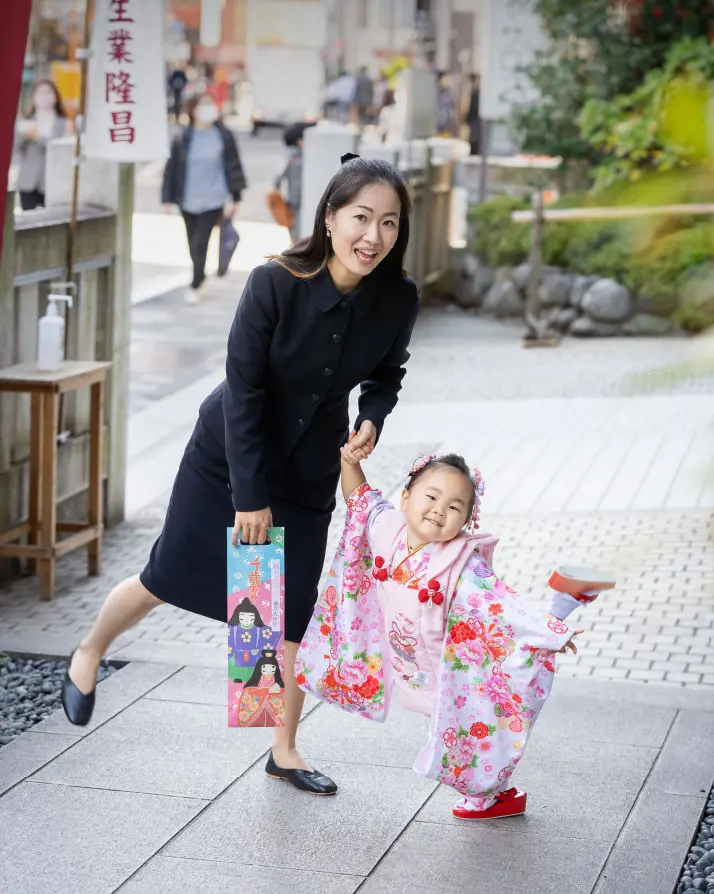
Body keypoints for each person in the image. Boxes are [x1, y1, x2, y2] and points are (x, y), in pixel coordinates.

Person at [61, 154, 420, 798]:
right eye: (361, 218)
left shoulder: (398, 298)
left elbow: (386, 374)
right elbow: (245, 390)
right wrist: (248, 498)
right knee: (165, 579)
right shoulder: (274, 281)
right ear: (331, 217)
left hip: (308, 475)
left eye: (389, 223)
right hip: (229, 458)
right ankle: (89, 651)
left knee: (289, 617)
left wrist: (371, 415)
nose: (374, 236)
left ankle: (283, 750)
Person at [298, 451, 612, 819]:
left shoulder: (461, 564)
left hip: (453, 671)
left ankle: (490, 795)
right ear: (406, 496)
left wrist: (550, 632)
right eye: (431, 497)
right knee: (456, 733)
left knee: (467, 728)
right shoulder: (386, 528)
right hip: (410, 661)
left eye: (454, 506)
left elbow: (501, 605)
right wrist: (349, 461)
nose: (438, 510)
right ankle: (491, 790)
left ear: (465, 522)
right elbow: (360, 497)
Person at [161, 91, 247, 304]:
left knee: (202, 240)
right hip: (188, 198)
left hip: (214, 198)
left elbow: (233, 166)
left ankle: (196, 282)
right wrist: (167, 197)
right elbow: (172, 169)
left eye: (211, 104)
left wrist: (235, 197)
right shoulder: (183, 137)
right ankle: (200, 274)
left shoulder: (223, 135)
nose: (209, 109)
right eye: (204, 105)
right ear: (194, 111)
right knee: (192, 241)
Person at [14, 79, 69, 210]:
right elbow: (15, 149)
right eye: (40, 93)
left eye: (48, 93)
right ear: (33, 98)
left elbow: (59, 149)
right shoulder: (26, 120)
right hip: (28, 180)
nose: (44, 97)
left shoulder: (63, 123)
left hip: (52, 181)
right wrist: (21, 134)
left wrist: (37, 136)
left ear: (56, 97)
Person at [273, 122, 313, 243]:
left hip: (294, 204)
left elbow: (277, 180)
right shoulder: (297, 159)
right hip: (298, 205)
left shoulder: (289, 157)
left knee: (296, 238)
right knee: (300, 239)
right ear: (300, 141)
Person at [435, 72, 457, 137]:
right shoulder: (435, 93)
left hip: (447, 126)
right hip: (437, 126)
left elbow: (454, 109)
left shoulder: (450, 94)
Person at [465, 74, 481, 156]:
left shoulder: (476, 94)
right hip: (476, 124)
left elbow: (472, 110)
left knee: (475, 142)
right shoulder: (477, 94)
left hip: (476, 124)